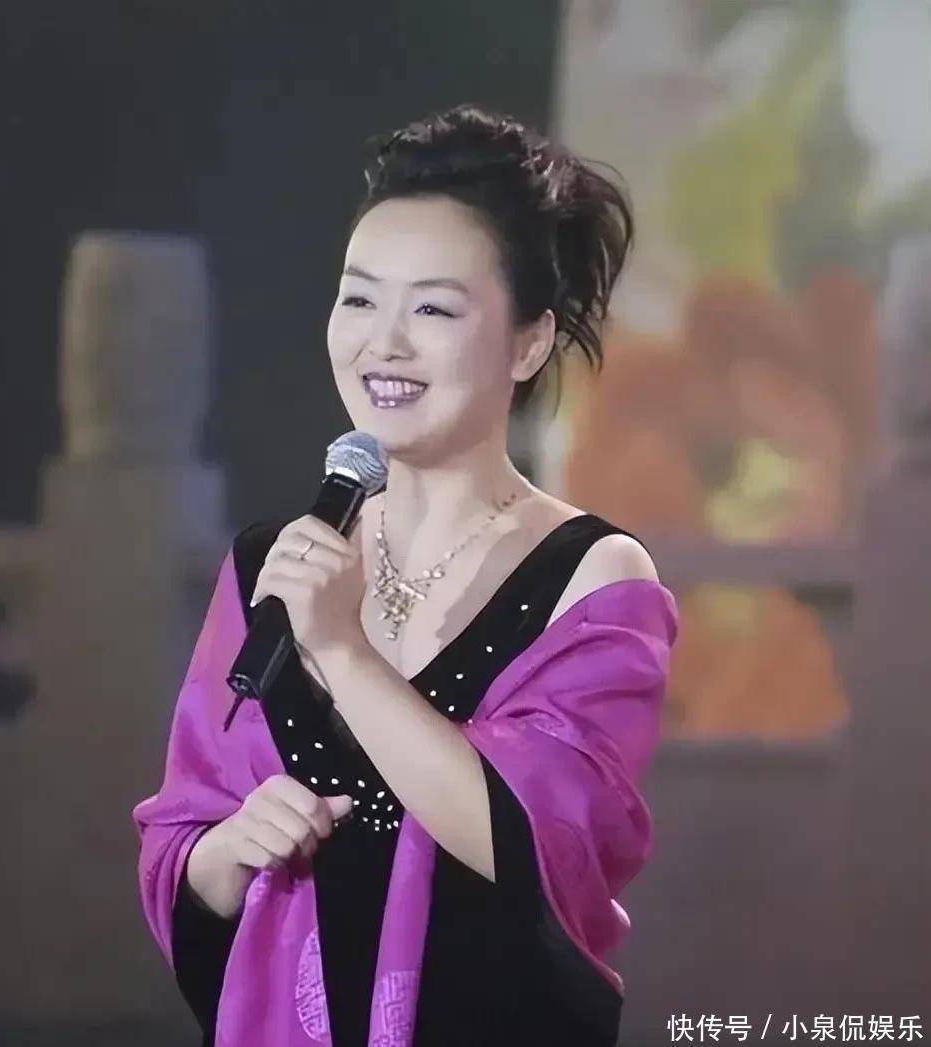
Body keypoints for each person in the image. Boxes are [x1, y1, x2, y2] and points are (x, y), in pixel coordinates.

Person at [133, 103, 679, 1047]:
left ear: (529, 341)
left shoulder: (592, 576)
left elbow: (544, 847)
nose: (382, 342)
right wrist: (230, 848)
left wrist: (343, 652)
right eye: (359, 300)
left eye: (432, 308)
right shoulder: (273, 563)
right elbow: (184, 843)